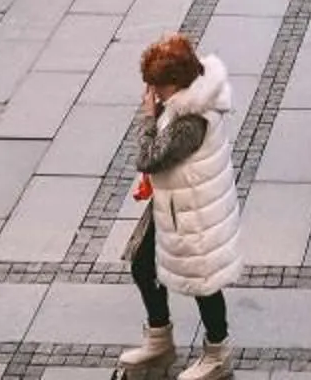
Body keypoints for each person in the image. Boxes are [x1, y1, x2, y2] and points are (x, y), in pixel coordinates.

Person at [118, 33, 244, 380]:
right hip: (177, 206)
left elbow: (149, 157)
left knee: (204, 283)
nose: (152, 92)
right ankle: (159, 339)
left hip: (194, 215)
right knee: (144, 266)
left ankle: (217, 354)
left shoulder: (190, 121)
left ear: (175, 82)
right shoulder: (183, 104)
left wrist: (148, 118)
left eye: (157, 85)